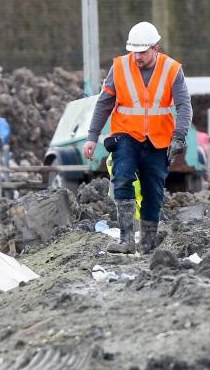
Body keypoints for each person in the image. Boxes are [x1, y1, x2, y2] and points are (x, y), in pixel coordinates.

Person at [83, 21, 192, 254]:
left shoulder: (172, 69)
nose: (137, 57)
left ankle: (147, 245)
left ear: (156, 47)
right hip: (126, 135)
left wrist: (179, 137)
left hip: (158, 140)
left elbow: (184, 106)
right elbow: (104, 102)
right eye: (134, 51)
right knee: (122, 178)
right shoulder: (120, 66)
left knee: (153, 191)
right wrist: (92, 136)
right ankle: (126, 240)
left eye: (142, 52)